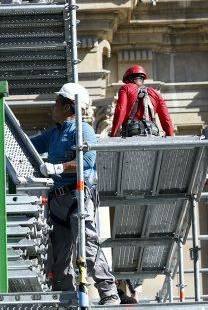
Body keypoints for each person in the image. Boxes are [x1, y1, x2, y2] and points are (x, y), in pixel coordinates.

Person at [30, 83, 120, 305]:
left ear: (69, 106)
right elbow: (29, 146)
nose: (54, 106)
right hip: (57, 200)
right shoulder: (55, 133)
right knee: (59, 256)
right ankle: (67, 299)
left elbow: (88, 160)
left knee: (87, 246)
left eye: (57, 102)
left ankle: (109, 293)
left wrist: (59, 167)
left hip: (77, 197)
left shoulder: (83, 129)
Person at [111, 65, 174, 137]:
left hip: (132, 132)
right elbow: (166, 118)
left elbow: (120, 110)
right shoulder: (155, 93)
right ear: (142, 79)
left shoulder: (126, 88)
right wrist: (170, 136)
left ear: (129, 79)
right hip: (152, 133)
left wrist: (114, 133)